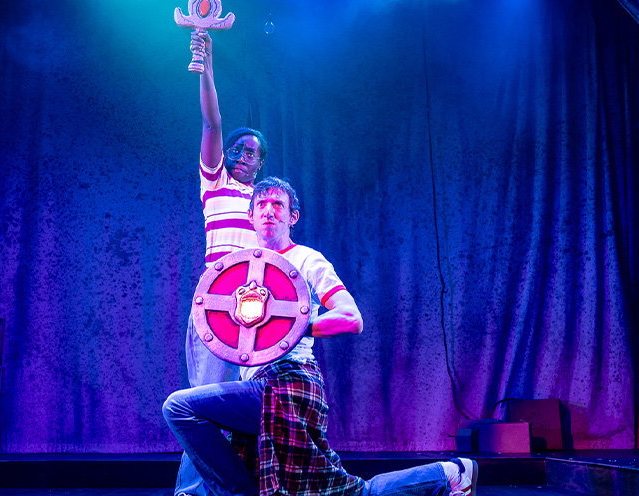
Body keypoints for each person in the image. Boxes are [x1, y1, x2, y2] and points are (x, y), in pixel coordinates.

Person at [164, 178, 479, 496]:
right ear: (251, 216)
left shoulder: (307, 260)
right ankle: (448, 474)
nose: (269, 211)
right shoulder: (243, 268)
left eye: (278, 205)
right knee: (343, 493)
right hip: (257, 386)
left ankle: (448, 475)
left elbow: (351, 318)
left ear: (293, 217)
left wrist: (291, 326)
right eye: (261, 204)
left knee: (179, 407)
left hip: (289, 384)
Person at [178, 28, 271, 496]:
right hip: (216, 308)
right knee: (203, 405)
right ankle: (191, 493)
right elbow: (212, 123)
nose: (242, 156)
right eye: (238, 148)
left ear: (260, 164)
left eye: (252, 153)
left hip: (257, 315)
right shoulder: (216, 184)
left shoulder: (266, 208)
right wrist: (207, 66)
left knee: (252, 409)